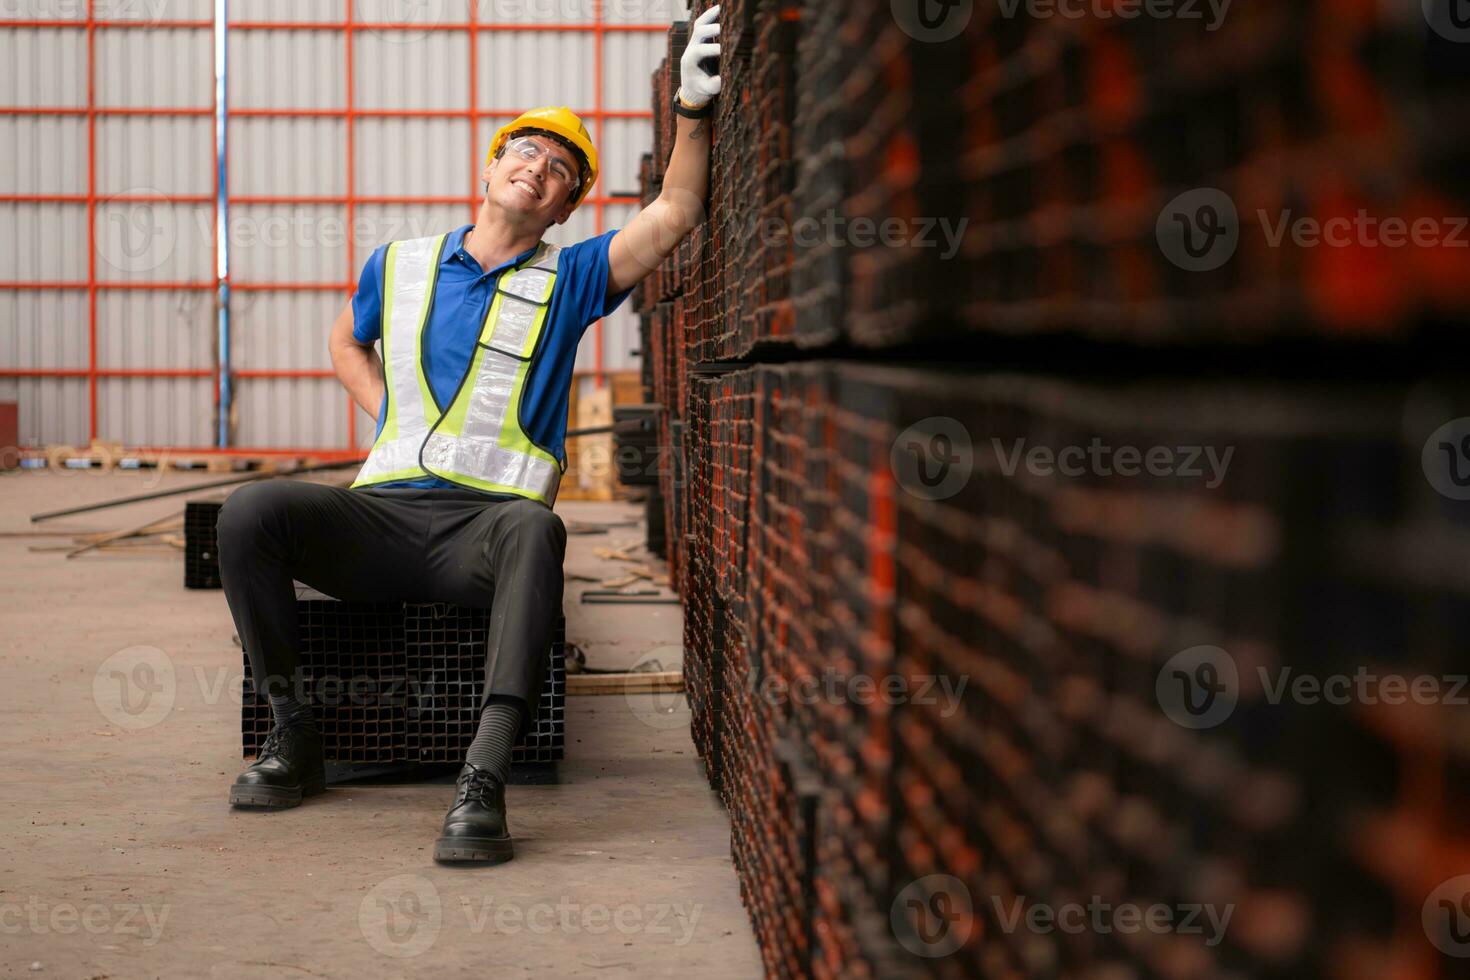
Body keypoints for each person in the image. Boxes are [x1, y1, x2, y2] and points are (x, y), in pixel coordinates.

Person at [216, 6, 724, 866]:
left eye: (561, 168)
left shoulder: (573, 276)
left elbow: (676, 210)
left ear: (566, 205)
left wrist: (693, 111)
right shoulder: (401, 263)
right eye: (525, 151)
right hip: (379, 521)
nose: (539, 167)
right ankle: (293, 735)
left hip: (483, 537)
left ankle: (482, 774)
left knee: (537, 527)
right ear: (492, 166)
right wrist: (390, 415)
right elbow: (345, 339)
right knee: (249, 514)